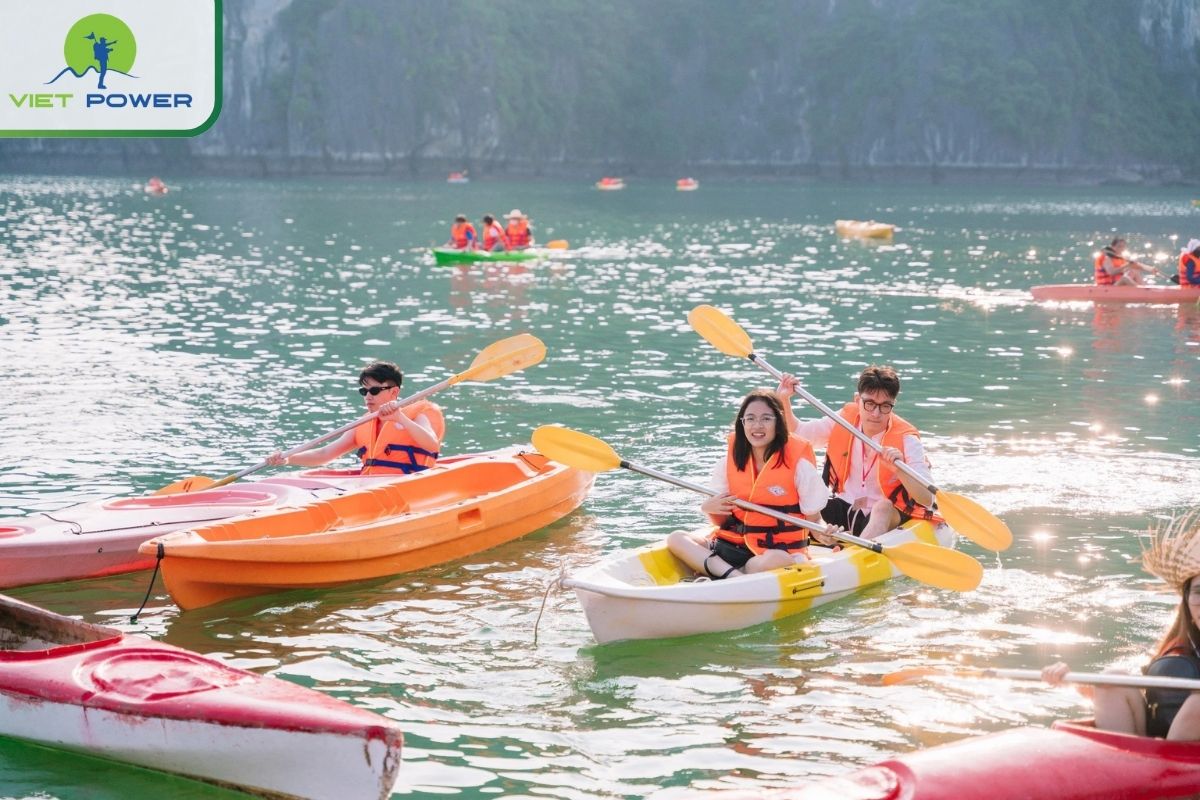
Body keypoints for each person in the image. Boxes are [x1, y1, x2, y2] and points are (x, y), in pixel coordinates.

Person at [1042, 510, 1200, 740]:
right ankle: (1129, 765)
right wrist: (1068, 679)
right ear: (1186, 601)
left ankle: (1160, 771)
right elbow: (1155, 699)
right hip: (1155, 750)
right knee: (1111, 680)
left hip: (1184, 756)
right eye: (1198, 592)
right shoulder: (1181, 646)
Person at [666, 389, 835, 580]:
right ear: (742, 423)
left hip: (774, 552)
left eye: (766, 419)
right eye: (751, 419)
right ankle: (735, 577)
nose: (757, 426)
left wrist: (824, 534)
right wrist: (709, 508)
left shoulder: (799, 466)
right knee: (677, 538)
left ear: (778, 423)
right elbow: (722, 523)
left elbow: (814, 521)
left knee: (776, 560)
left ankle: (722, 573)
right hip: (732, 546)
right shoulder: (727, 463)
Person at [776, 365, 937, 540]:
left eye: (885, 406)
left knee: (882, 507)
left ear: (893, 405)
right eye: (869, 404)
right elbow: (800, 433)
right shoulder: (843, 419)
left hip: (887, 513)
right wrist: (784, 400)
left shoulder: (907, 439)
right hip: (846, 505)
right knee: (801, 499)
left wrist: (901, 469)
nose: (876, 413)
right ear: (857, 400)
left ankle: (857, 551)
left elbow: (927, 498)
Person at [266, 361, 444, 475]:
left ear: (394, 392)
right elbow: (325, 454)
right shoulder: (364, 422)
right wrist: (289, 459)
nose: (368, 396)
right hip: (372, 488)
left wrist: (400, 419)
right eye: (364, 391)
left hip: (408, 487)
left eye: (374, 391)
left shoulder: (418, 414)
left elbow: (431, 444)